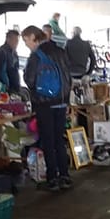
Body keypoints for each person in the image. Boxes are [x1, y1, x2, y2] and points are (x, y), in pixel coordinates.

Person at [22, 25, 73, 192]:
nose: (26, 44)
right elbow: (67, 77)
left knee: (48, 141)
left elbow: (30, 80)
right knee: (59, 139)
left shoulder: (36, 55)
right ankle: (65, 175)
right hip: (61, 102)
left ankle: (52, 178)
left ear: (33, 37)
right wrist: (66, 101)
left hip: (44, 103)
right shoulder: (60, 51)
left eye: (26, 40)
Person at [0, 29, 22, 94]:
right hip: (4, 89)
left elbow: (15, 70)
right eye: (14, 40)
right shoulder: (1, 53)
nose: (16, 43)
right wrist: (4, 89)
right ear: (8, 39)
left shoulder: (14, 53)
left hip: (14, 88)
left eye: (17, 41)